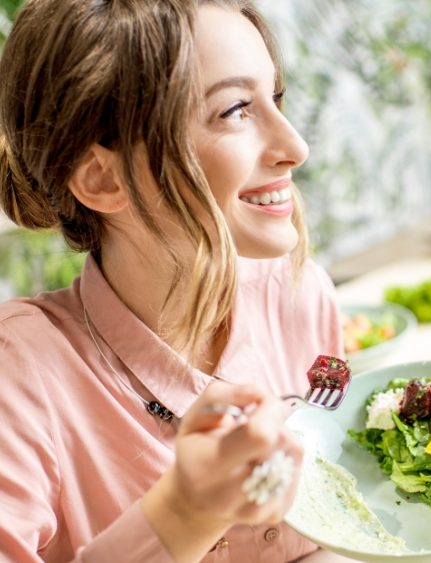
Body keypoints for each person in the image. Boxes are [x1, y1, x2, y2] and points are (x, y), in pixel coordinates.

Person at [0, 0, 343, 561]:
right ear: (102, 178)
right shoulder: (19, 371)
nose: (295, 148)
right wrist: (185, 512)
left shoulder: (301, 297)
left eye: (274, 99)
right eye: (234, 110)